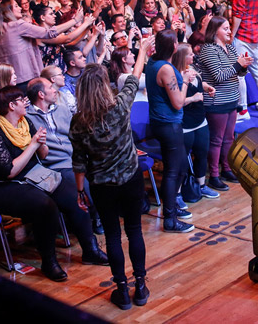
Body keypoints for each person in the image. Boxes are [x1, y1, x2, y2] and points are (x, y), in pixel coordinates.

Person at [0, 86, 96, 281]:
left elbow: (43, 155)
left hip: (32, 175)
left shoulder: (25, 123)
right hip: (1, 187)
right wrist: (33, 145)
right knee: (45, 205)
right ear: (11, 105)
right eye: (21, 100)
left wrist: (41, 144)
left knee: (74, 193)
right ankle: (49, 262)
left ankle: (90, 249)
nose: (26, 102)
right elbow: (10, 172)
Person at [71, 36, 155, 310]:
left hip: (101, 185)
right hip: (130, 179)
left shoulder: (79, 122)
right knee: (134, 232)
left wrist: (80, 190)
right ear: (105, 85)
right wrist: (142, 50)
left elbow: (79, 161)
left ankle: (121, 289)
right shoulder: (119, 106)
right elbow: (134, 77)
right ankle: (140, 286)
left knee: (112, 236)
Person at [24, 76, 108, 258]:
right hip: (55, 166)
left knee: (105, 172)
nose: (55, 90)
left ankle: (98, 217)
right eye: (50, 88)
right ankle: (93, 224)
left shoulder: (61, 109)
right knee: (84, 188)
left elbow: (77, 134)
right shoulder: (28, 117)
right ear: (41, 94)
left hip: (76, 158)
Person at [144, 29, 195, 232]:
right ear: (174, 46)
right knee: (173, 171)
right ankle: (170, 219)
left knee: (180, 166)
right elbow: (178, 103)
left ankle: (172, 207)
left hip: (163, 123)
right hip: (168, 123)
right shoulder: (165, 68)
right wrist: (186, 83)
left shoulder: (153, 63)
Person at [195, 16, 252, 192]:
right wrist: (238, 65)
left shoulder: (229, 48)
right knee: (217, 140)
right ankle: (214, 175)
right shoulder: (208, 50)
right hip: (216, 101)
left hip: (232, 98)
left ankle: (227, 169)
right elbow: (219, 76)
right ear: (215, 31)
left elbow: (239, 74)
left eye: (229, 28)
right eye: (225, 28)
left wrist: (244, 66)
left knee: (229, 138)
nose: (229, 31)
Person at [172, 41, 218, 200]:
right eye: (190, 54)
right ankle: (178, 194)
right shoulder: (174, 76)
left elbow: (199, 83)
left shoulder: (192, 69)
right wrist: (192, 98)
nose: (193, 56)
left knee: (202, 154)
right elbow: (176, 102)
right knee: (182, 161)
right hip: (185, 124)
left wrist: (206, 87)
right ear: (182, 57)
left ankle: (201, 185)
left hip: (200, 119)